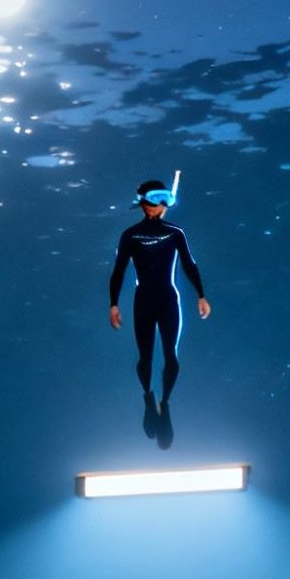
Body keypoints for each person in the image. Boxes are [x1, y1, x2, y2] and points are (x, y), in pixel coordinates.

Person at [109, 179, 210, 446]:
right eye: (155, 200)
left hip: (168, 299)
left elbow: (189, 264)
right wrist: (114, 304)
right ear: (143, 203)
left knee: (171, 357)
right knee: (145, 358)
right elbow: (118, 270)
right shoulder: (130, 235)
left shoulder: (175, 232)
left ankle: (165, 404)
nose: (160, 205)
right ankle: (147, 397)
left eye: (164, 200)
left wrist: (201, 295)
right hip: (143, 300)